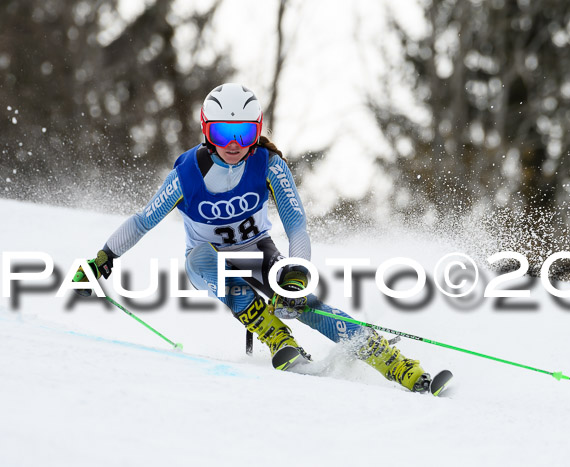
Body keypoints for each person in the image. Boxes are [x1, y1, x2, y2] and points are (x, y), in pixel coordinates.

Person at [73, 83, 434, 392]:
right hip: (206, 260)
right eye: (221, 134)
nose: (233, 144)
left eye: (243, 134)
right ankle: (276, 337)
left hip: (259, 251)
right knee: (206, 260)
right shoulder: (187, 175)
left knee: (307, 305)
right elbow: (141, 222)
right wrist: (102, 260)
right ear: (206, 132)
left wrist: (296, 273)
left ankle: (395, 363)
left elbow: (296, 226)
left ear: (257, 131)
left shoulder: (269, 163)